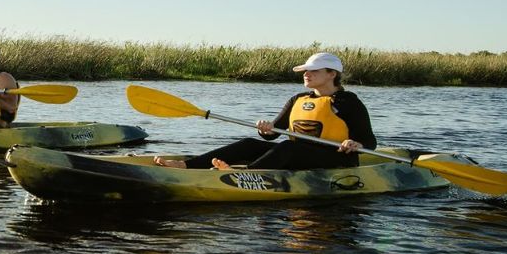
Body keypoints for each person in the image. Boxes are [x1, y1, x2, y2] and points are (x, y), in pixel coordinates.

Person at [155, 52, 376, 171]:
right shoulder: (298, 99)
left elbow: (369, 142)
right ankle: (186, 165)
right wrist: (265, 130)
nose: (306, 75)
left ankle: (246, 176)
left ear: (332, 74)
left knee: (289, 147)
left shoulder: (348, 102)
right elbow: (273, 133)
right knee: (250, 144)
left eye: (312, 71)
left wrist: (355, 144)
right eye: (305, 72)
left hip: (336, 161)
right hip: (297, 156)